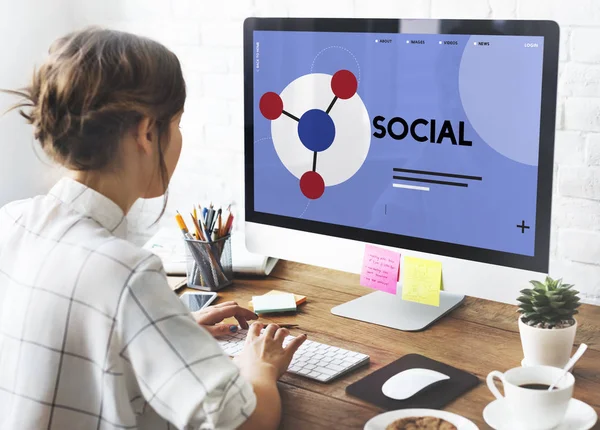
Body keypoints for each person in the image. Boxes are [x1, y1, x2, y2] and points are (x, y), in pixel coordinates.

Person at [0, 27, 306, 430]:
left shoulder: (11, 221)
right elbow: (247, 422)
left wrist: (164, 331)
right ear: (147, 132)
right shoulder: (126, 273)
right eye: (176, 124)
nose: (178, 139)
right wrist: (259, 367)